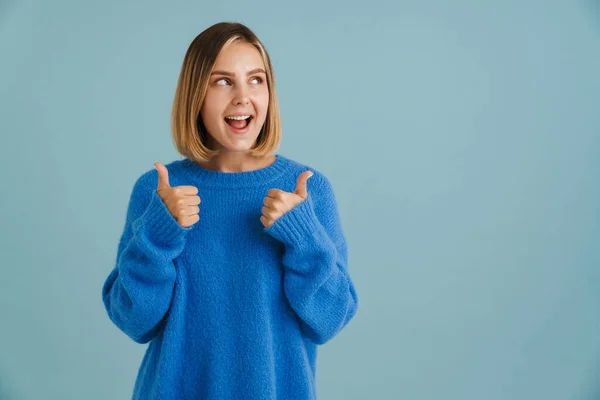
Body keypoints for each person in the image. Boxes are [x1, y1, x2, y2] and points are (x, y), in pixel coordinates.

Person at [101, 21, 359, 400]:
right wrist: (158, 233)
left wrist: (303, 237)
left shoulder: (307, 190)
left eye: (256, 80)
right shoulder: (158, 191)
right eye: (223, 81)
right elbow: (133, 319)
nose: (242, 97)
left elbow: (331, 318)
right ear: (195, 95)